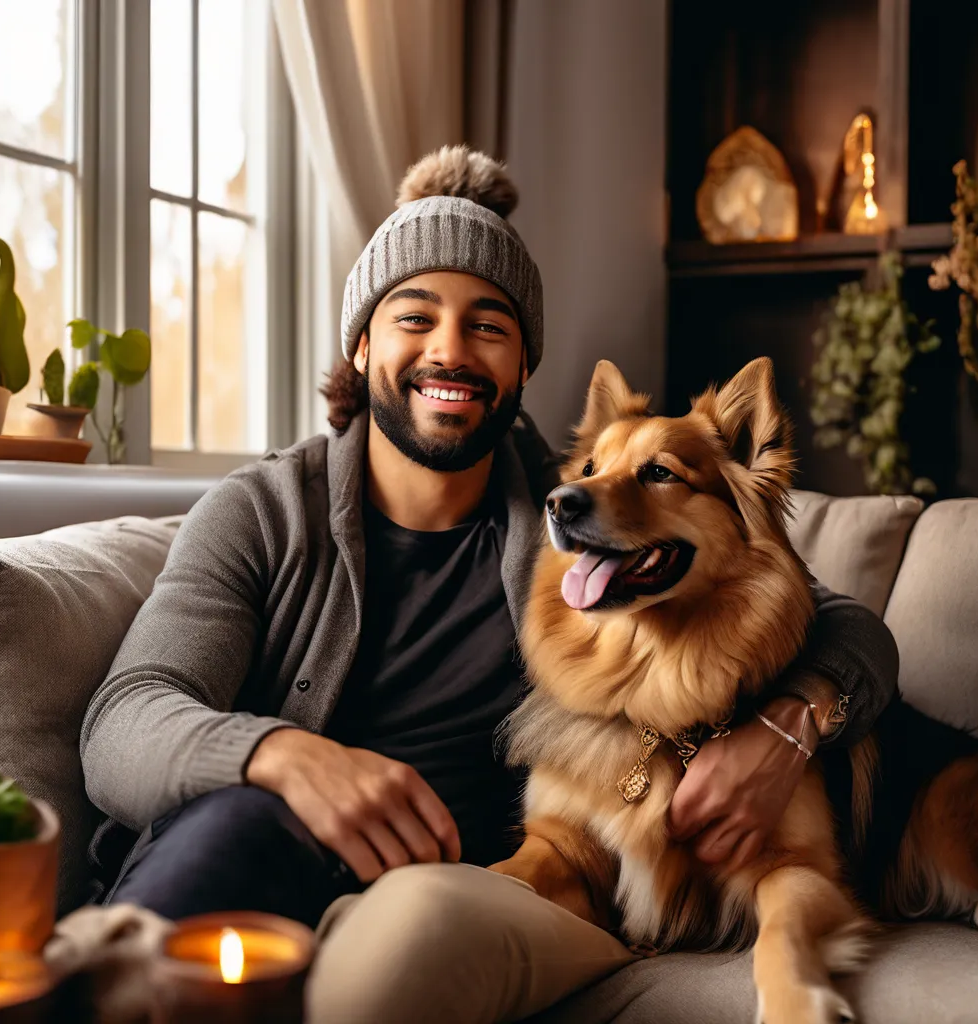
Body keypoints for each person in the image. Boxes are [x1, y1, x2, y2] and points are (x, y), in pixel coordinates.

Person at [80, 147, 898, 1024]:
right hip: (269, 845)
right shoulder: (262, 511)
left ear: (521, 367)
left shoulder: (571, 508)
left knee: (413, 930)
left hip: (490, 887)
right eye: (415, 317)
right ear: (362, 344)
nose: (450, 351)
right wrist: (288, 756)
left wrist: (789, 725)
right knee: (218, 852)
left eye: (488, 326)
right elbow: (122, 720)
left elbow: (843, 627)